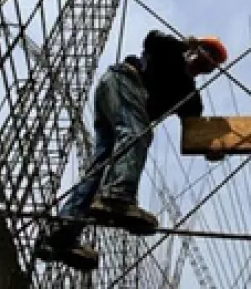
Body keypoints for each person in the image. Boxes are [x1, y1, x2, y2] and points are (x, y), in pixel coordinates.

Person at [36, 30, 227, 270]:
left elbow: (194, 130)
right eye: (205, 51)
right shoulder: (170, 53)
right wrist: (184, 44)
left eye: (211, 58)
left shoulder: (190, 96)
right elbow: (153, 38)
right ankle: (118, 196)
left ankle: (60, 236)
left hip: (117, 96)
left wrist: (210, 150)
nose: (205, 58)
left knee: (101, 167)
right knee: (137, 133)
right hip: (123, 81)